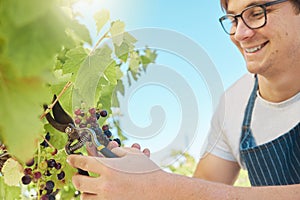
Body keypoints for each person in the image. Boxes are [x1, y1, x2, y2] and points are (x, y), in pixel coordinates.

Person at [67, 0, 300, 199]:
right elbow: (201, 190)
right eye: (233, 20)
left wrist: (160, 187)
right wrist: (138, 181)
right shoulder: (233, 105)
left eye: (257, 13)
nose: (240, 33)